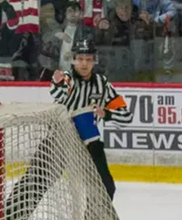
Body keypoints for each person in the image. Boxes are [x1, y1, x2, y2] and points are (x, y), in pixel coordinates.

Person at [49, 36, 132, 199]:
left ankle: (95, 217)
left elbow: (126, 117)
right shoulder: (68, 78)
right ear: (74, 60)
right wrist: (57, 83)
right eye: (80, 59)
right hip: (59, 140)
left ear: (95, 61)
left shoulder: (103, 84)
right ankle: (8, 215)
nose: (84, 64)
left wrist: (106, 113)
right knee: (35, 183)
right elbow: (58, 92)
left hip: (89, 143)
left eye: (88, 59)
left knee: (106, 187)